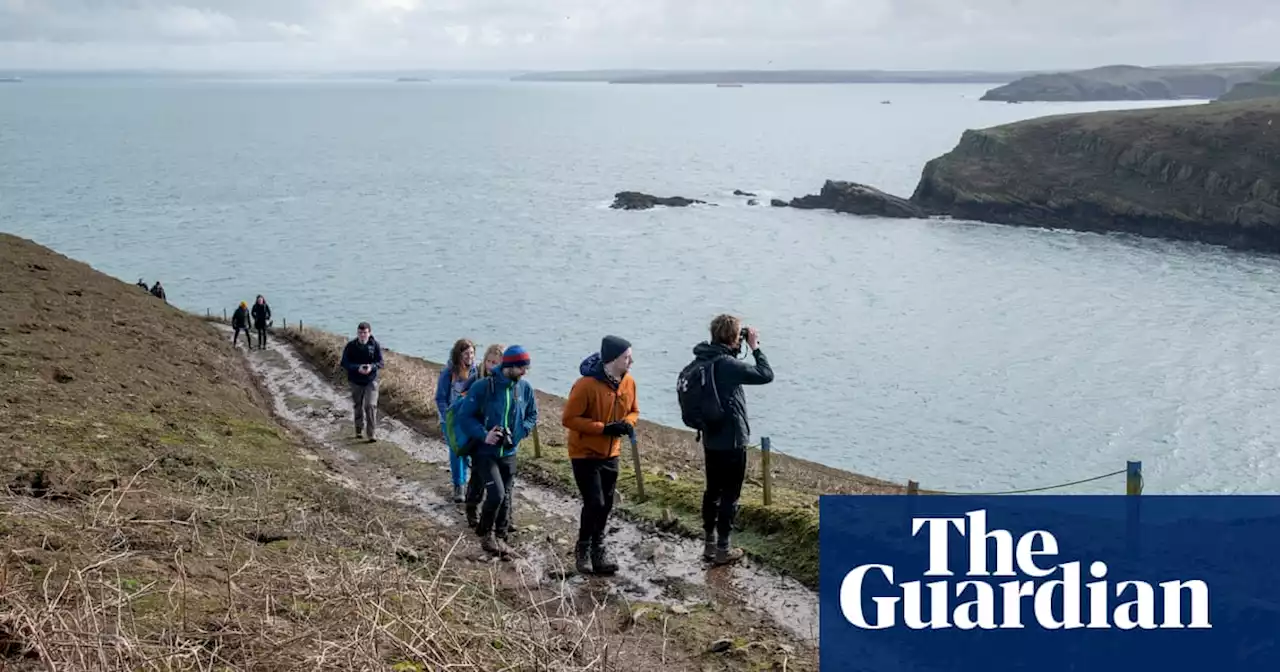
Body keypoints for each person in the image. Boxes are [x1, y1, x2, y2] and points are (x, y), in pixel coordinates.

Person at [688, 314, 773, 565]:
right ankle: (724, 549)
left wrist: (736, 347)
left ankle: (709, 543)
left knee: (712, 491)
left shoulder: (703, 359)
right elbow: (765, 374)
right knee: (730, 495)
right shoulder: (727, 365)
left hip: (710, 437)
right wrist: (755, 347)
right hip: (733, 440)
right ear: (734, 338)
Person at [562, 335, 638, 576]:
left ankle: (599, 550)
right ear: (612, 359)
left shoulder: (629, 382)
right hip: (584, 453)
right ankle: (582, 549)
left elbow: (635, 411)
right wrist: (604, 428)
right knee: (595, 502)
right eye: (626, 357)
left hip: (611, 453)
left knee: (606, 505)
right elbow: (569, 419)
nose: (631, 361)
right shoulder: (585, 385)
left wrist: (626, 423)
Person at [455, 345, 537, 557]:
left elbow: (532, 414)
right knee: (496, 494)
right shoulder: (483, 386)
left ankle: (500, 539)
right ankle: (485, 535)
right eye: (521, 368)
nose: (524, 372)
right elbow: (465, 417)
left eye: (526, 368)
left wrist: (520, 433)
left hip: (509, 452)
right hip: (484, 452)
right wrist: (484, 434)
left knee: (506, 496)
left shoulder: (524, 388)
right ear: (509, 366)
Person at [462, 343, 504, 528]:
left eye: (496, 362)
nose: (491, 365)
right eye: (489, 361)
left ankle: (504, 517)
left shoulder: (507, 384)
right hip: (477, 437)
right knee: (478, 475)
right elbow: (463, 405)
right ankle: (472, 508)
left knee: (503, 480)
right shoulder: (476, 379)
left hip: (498, 439)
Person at [435, 338, 478, 502]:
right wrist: (447, 416)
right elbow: (440, 398)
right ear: (458, 354)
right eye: (466, 353)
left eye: (472, 353)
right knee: (456, 452)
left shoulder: (476, 372)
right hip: (451, 420)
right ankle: (458, 486)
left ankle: (468, 482)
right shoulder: (448, 372)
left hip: (469, 419)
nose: (469, 356)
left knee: (468, 452)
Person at [341, 322, 384, 442]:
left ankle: (371, 434)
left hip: (371, 380)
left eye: (365, 333)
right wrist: (357, 368)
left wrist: (371, 367)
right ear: (357, 333)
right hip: (355, 380)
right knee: (358, 406)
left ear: (369, 333)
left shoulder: (375, 345)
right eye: (360, 333)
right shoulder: (351, 346)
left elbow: (381, 363)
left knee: (370, 405)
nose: (362, 335)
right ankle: (358, 429)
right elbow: (344, 362)